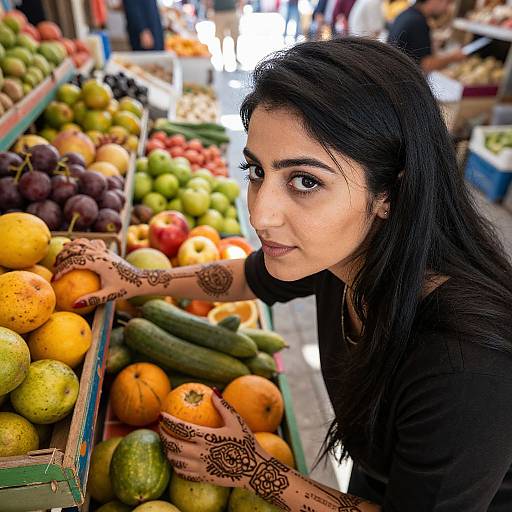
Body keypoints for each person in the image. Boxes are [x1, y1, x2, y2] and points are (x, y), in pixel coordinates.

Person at [53, 38, 512, 510]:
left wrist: (255, 469)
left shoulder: (466, 367)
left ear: (391, 193)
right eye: (255, 171)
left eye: (306, 181)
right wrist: (137, 280)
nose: (261, 212)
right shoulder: (350, 256)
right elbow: (250, 277)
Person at [388, 0, 464, 71]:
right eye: (447, 2)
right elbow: (425, 65)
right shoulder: (418, 21)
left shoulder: (405, 14)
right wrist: (453, 57)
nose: (447, 9)